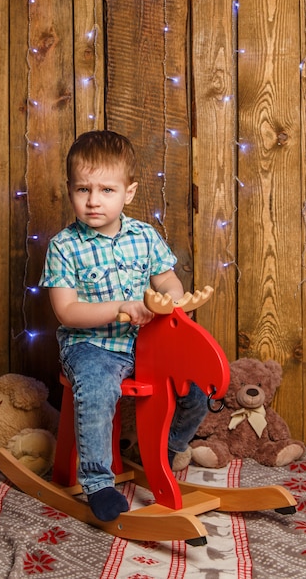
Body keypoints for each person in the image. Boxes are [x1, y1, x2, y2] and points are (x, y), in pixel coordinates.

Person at [39, 130, 207, 522]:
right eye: (83, 189)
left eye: (106, 190)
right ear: (69, 191)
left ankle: (165, 450)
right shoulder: (64, 245)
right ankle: (98, 482)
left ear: (128, 193)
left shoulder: (144, 236)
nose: (93, 200)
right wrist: (122, 307)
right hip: (90, 346)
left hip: (144, 344)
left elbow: (166, 280)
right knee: (96, 390)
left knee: (196, 384)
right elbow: (67, 311)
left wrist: (171, 299)